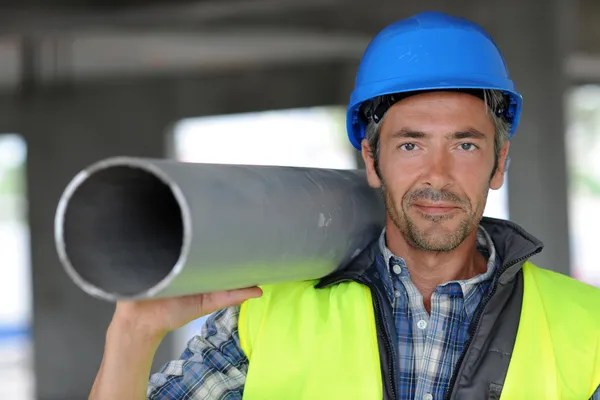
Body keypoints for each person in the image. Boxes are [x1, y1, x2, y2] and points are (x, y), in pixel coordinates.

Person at [90, 11, 600, 400]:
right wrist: (134, 331)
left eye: (465, 145)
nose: (437, 175)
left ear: (499, 160)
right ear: (372, 160)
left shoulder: (587, 328)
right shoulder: (264, 316)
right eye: (410, 144)